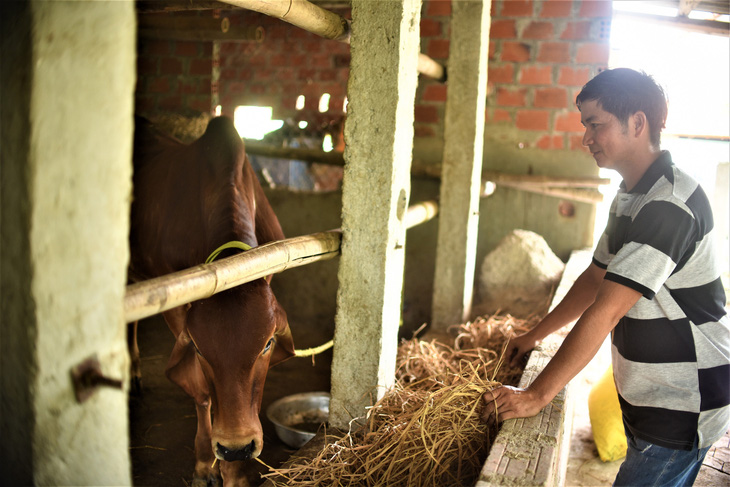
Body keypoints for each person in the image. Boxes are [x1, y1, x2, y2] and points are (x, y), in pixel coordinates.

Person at [481, 68, 729, 486]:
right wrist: (533, 335)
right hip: (651, 393)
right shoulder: (632, 193)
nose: (586, 139)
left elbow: (605, 311)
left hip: (685, 398)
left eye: (596, 125)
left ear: (637, 123)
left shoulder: (668, 204)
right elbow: (595, 278)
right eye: (585, 126)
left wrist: (537, 396)